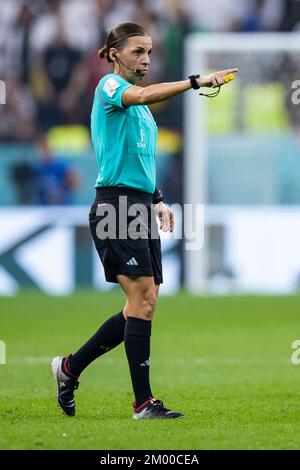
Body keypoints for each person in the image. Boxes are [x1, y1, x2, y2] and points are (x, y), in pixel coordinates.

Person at [51, 22, 238, 420]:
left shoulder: (144, 117)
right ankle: (143, 404)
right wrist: (194, 82)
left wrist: (157, 199)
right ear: (115, 53)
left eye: (149, 52)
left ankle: (69, 369)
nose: (145, 60)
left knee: (144, 302)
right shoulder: (111, 89)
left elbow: (139, 161)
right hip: (115, 206)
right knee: (141, 299)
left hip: (137, 205)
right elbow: (143, 95)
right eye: (138, 52)